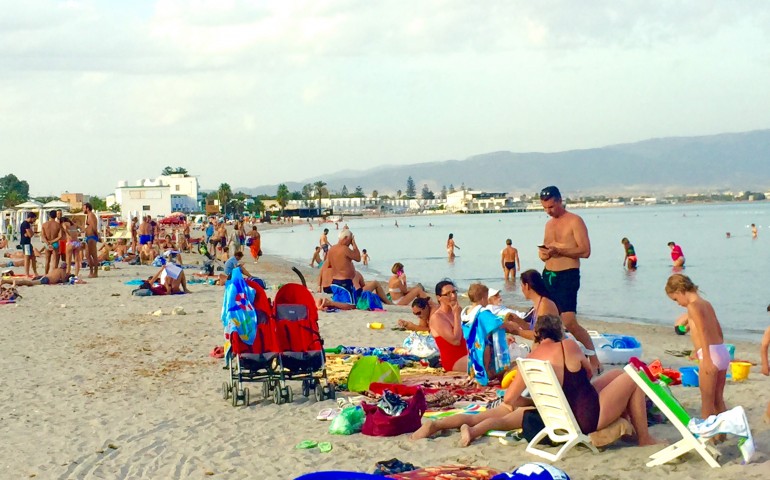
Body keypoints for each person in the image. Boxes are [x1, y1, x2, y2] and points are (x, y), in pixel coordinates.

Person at [412, 314, 659, 448]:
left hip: (556, 414)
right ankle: (644, 438)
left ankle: (444, 426)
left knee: (616, 377)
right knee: (631, 377)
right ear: (559, 332)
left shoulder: (530, 359)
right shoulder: (568, 345)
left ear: (538, 335)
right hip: (582, 417)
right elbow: (587, 374)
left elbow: (509, 398)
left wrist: (534, 403)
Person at [538, 186, 598, 371]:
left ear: (559, 200)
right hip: (548, 274)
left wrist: (560, 250)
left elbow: (585, 251)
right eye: (545, 208)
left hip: (567, 275)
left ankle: (593, 359)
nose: (548, 211)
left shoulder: (575, 221)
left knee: (569, 321)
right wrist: (544, 254)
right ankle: (555, 358)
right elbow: (545, 250)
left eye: (551, 207)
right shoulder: (549, 224)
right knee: (546, 321)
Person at [665, 274, 727, 420]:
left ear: (680, 291)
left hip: (710, 354)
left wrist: (705, 357)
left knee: (707, 404)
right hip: (721, 351)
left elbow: (702, 331)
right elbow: (718, 331)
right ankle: (727, 433)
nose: (678, 303)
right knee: (718, 400)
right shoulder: (706, 304)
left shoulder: (692, 307)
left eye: (675, 299)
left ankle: (707, 440)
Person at [429, 280, 468, 372]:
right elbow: (455, 341)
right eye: (448, 294)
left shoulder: (458, 311)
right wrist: (457, 316)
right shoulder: (437, 317)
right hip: (454, 361)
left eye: (454, 292)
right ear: (439, 298)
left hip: (466, 355)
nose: (453, 296)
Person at [323, 229, 361, 301]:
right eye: (350, 240)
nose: (350, 243)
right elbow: (358, 258)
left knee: (339, 301)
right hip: (344, 283)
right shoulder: (344, 249)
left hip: (335, 282)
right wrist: (354, 244)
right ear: (346, 238)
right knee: (351, 305)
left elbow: (329, 265)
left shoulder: (332, 249)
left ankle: (331, 303)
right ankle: (328, 303)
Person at [2, 262, 72, 286]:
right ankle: (7, 281)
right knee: (29, 283)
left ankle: (7, 281)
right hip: (46, 280)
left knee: (30, 282)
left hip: (43, 277)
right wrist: (68, 276)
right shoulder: (62, 271)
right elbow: (64, 281)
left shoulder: (56, 269)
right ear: (65, 268)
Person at [83, 203, 99, 278]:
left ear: (87, 208)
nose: (83, 209)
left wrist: (97, 236)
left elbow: (94, 227)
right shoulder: (88, 216)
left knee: (93, 255)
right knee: (87, 255)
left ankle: (95, 272)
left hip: (92, 236)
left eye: (84, 208)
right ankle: (91, 271)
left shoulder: (91, 215)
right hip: (88, 237)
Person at [19, 212, 38, 277]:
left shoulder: (27, 224)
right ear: (30, 218)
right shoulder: (26, 224)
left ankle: (35, 272)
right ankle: (27, 274)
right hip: (25, 243)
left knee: (33, 257)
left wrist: (30, 233)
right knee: (27, 258)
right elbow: (30, 235)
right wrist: (31, 233)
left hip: (27, 242)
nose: (34, 221)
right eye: (34, 219)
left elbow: (29, 234)